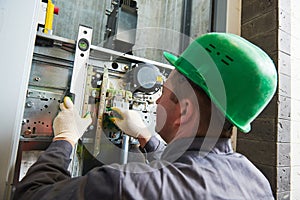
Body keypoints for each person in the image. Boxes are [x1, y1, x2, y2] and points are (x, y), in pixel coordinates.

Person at [13, 33, 277, 199]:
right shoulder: (255, 182)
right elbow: (188, 171)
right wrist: (145, 135)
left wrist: (65, 138)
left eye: (164, 90)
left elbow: (30, 195)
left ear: (185, 110)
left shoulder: (123, 186)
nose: (157, 99)